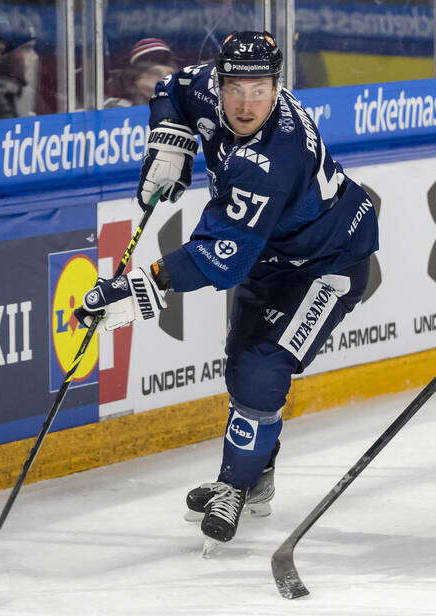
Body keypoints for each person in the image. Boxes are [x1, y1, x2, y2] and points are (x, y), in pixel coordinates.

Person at [75, 31, 379, 546]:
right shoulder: (207, 90)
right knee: (241, 361)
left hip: (328, 263)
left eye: (259, 89)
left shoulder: (269, 161)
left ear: (277, 88)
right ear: (220, 82)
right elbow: (171, 85)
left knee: (263, 367)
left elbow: (219, 262)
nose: (244, 103)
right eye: (236, 87)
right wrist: (170, 137)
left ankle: (235, 484)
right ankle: (255, 477)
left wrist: (136, 290)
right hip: (270, 256)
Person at [103, 38, 178, 108]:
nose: (166, 80)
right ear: (136, 80)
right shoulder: (115, 108)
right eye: (156, 74)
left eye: (170, 74)